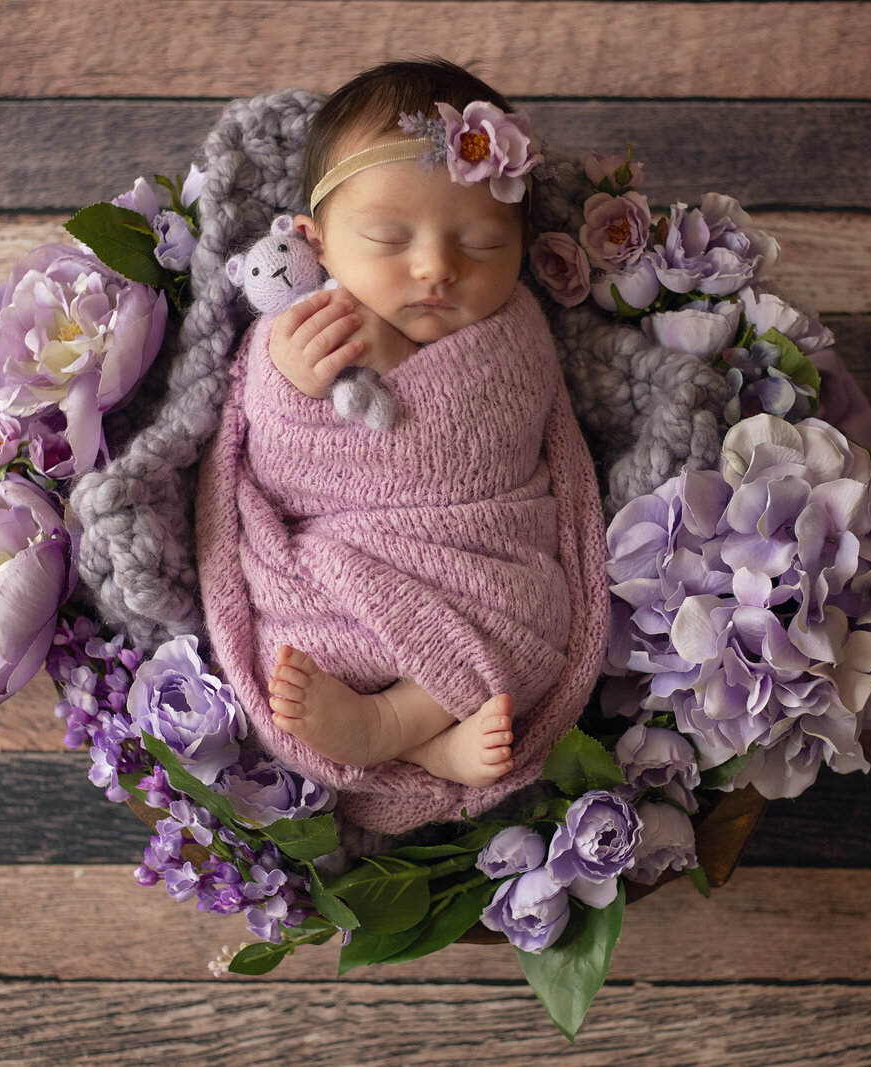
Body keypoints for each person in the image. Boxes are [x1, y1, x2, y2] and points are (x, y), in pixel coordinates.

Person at [195, 58, 608, 829]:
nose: (437, 269)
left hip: (481, 554)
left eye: (482, 244)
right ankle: (415, 730)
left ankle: (402, 729)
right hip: (338, 571)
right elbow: (275, 469)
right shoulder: (299, 332)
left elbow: (517, 444)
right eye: (389, 237)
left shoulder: (513, 335)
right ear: (315, 242)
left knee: (540, 611)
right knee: (297, 648)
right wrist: (288, 385)